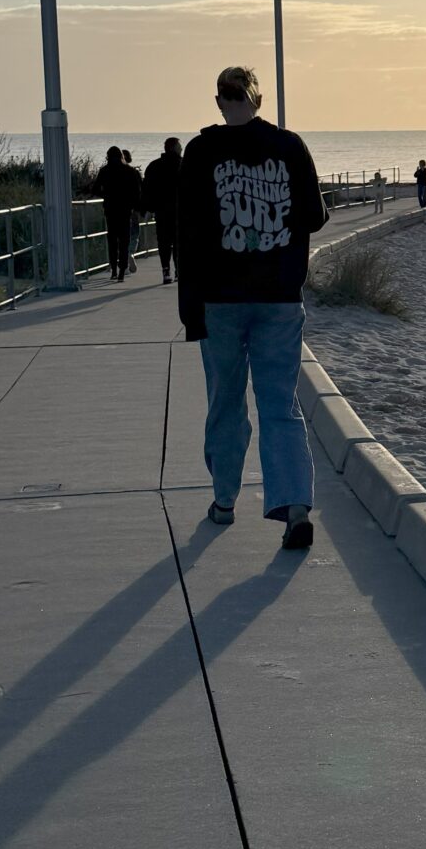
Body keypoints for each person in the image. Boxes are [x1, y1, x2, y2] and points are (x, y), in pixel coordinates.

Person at [177, 65, 330, 551]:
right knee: (278, 404)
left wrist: (189, 311)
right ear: (258, 101)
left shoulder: (201, 152)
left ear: (220, 101)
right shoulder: (289, 147)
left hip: (220, 301)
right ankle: (295, 507)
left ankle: (225, 500)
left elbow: (188, 235)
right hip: (279, 299)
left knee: (225, 400)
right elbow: (315, 216)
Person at [97, 146, 144, 281]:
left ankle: (113, 270)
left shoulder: (104, 171)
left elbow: (96, 188)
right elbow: (137, 192)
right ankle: (122, 271)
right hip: (125, 210)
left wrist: (105, 194)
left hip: (110, 210)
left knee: (112, 241)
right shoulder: (130, 171)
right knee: (125, 241)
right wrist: (138, 207)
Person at [142, 136, 183, 284]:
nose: (181, 148)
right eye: (179, 146)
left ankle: (166, 270)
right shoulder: (184, 165)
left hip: (162, 211)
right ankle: (179, 270)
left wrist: (147, 208)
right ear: (174, 148)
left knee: (164, 242)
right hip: (180, 211)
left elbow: (147, 189)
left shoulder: (154, 166)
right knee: (179, 242)